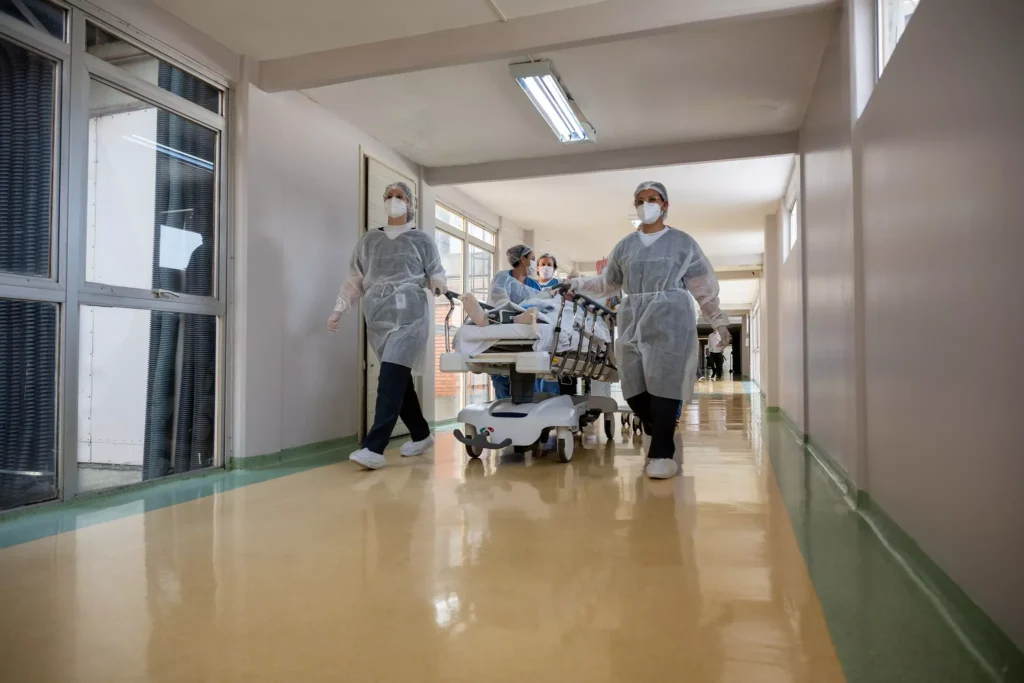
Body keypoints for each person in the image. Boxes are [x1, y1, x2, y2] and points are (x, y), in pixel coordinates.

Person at [566, 181, 731, 479]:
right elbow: (607, 283)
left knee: (665, 382)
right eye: (640, 200)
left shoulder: (683, 243)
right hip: (632, 316)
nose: (646, 204)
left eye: (652, 199)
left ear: (665, 205)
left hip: (672, 315)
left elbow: (703, 288)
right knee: (632, 387)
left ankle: (662, 452)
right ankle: (659, 427)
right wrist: (575, 285)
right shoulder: (625, 246)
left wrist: (719, 321)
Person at [327, 181, 447, 470]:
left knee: (390, 378)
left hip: (411, 318)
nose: (394, 200)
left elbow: (436, 271)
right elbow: (355, 279)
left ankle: (374, 446)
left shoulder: (422, 239)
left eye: (400, 196)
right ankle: (421, 435)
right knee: (399, 380)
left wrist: (439, 284)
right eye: (390, 196)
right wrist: (338, 309)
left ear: (410, 203)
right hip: (378, 319)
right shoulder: (369, 241)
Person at [487, 244, 547, 400]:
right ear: (522, 259)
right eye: (533, 259)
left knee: (529, 381)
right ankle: (502, 417)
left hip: (528, 336)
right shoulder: (502, 278)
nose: (535, 263)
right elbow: (499, 303)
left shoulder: (534, 285)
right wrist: (517, 315)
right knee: (501, 382)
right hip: (505, 331)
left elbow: (542, 306)